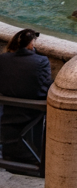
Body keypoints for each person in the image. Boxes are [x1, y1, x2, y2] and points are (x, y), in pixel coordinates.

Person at [0, 28, 51, 166]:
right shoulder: (41, 61)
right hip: (31, 115)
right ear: (31, 44)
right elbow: (44, 89)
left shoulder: (3, 59)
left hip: (8, 112)